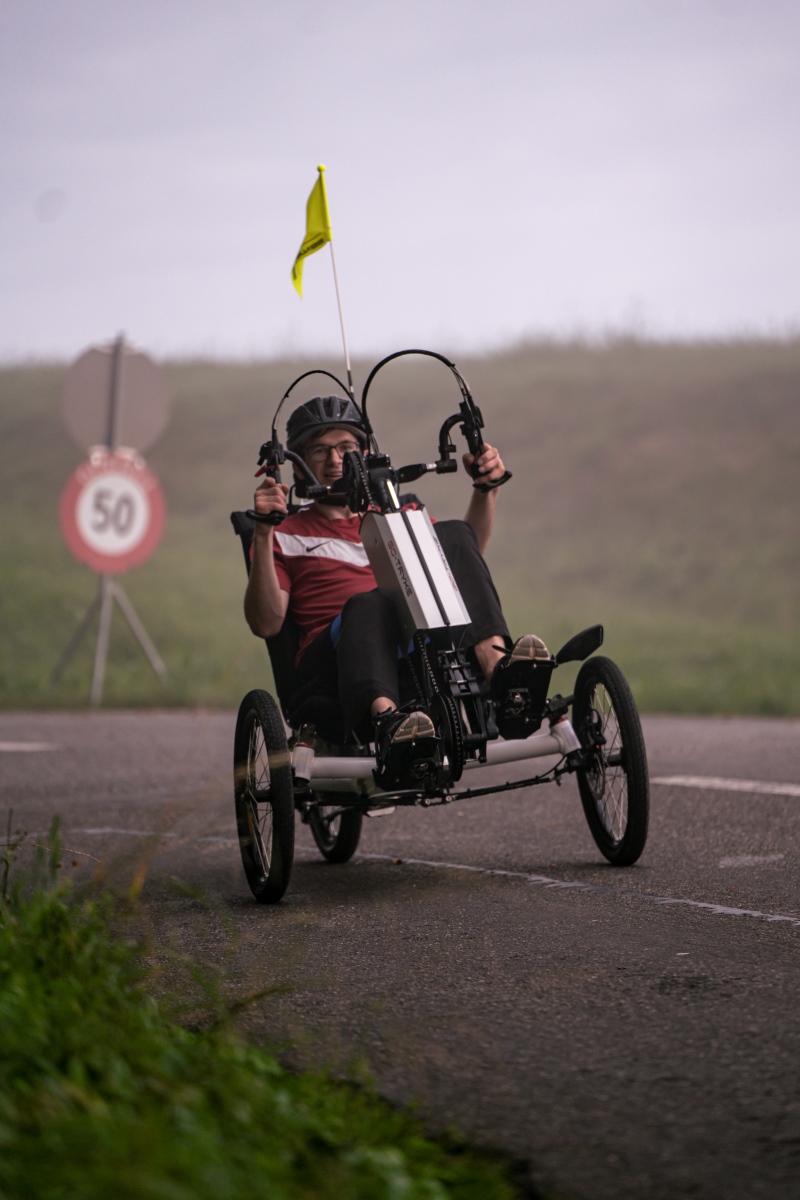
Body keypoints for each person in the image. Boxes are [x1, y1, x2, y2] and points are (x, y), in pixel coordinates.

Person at [243, 395, 550, 776]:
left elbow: (457, 569)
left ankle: (502, 677)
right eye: (319, 450)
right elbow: (267, 624)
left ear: (365, 452)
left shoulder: (399, 515)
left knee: (453, 534)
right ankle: (389, 724)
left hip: (413, 650)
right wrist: (260, 531)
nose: (335, 460)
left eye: (345, 448)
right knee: (370, 603)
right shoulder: (284, 532)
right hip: (333, 664)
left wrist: (486, 489)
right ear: (300, 463)